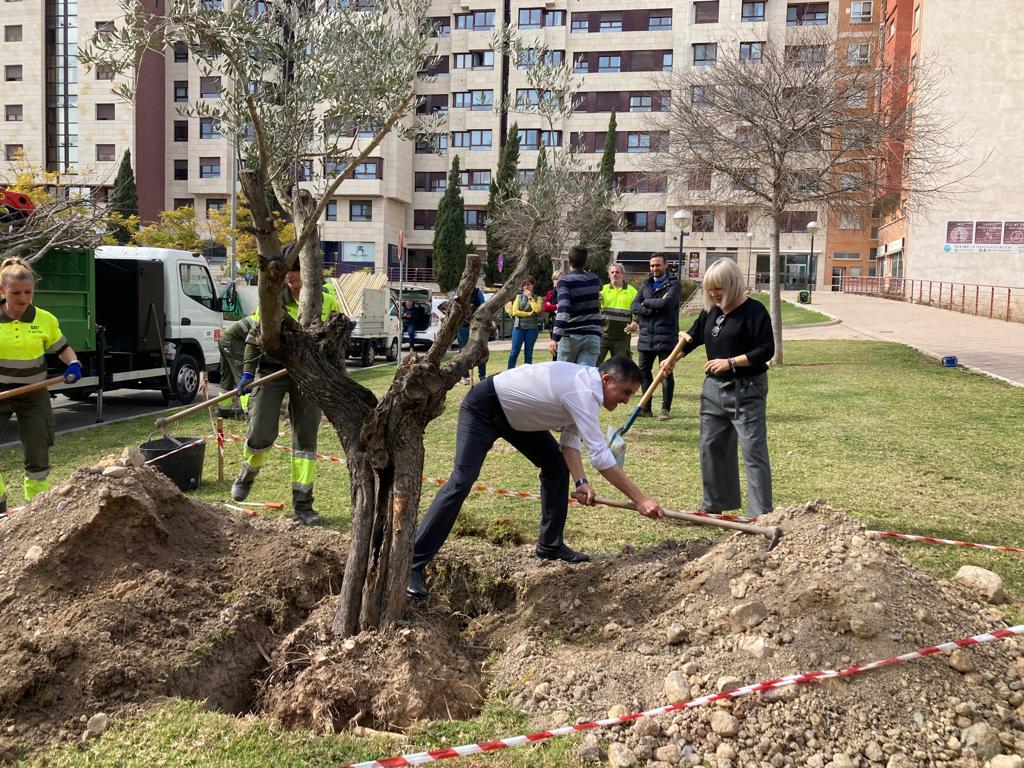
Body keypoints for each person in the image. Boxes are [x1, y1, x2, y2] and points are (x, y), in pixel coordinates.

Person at [407, 357, 665, 599]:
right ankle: (412, 563)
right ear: (607, 380)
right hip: (484, 407)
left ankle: (550, 546)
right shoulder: (583, 391)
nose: (625, 401)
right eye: (625, 393)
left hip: (516, 417)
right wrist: (641, 500)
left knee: (556, 465)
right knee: (462, 481)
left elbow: (570, 443)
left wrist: (581, 482)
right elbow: (600, 457)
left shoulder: (587, 390)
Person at [231, 250, 339, 526]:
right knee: (260, 432)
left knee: (305, 441)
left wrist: (335, 373)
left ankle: (303, 504)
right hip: (271, 372)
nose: (291, 275)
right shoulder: (270, 302)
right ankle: (246, 475)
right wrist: (246, 373)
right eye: (288, 270)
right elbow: (253, 339)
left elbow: (335, 341)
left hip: (308, 376)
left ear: (310, 272)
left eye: (297, 269)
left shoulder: (324, 302)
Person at [669, 258, 774, 518]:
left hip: (747, 389)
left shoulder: (754, 311)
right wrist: (671, 361)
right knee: (711, 446)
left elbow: (766, 350)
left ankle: (760, 514)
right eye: (710, 288)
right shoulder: (711, 311)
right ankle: (715, 504)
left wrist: (730, 363)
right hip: (713, 390)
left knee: (752, 450)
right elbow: (691, 339)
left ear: (733, 284)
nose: (714, 294)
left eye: (719, 288)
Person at [0, 258, 81, 517]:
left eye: (28, 292)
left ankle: (37, 510)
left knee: (38, 454)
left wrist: (74, 363)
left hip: (34, 395)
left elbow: (63, 349)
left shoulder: (45, 320)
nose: (23, 299)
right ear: (2, 291)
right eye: (15, 293)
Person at [631, 253, 682, 421]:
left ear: (665, 265)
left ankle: (665, 409)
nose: (654, 268)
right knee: (643, 372)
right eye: (652, 265)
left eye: (658, 265)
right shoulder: (646, 284)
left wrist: (646, 303)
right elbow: (634, 306)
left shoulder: (674, 284)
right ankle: (646, 408)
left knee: (665, 372)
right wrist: (650, 307)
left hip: (666, 336)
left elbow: (667, 304)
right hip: (646, 336)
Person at [549, 245, 602, 366]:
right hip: (592, 334)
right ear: (585, 261)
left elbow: (564, 310)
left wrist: (555, 338)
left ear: (569, 261)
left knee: (564, 377)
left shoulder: (564, 282)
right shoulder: (595, 280)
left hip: (570, 336)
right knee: (584, 379)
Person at [598, 262, 638, 364]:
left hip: (622, 337)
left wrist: (635, 322)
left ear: (622, 274)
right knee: (595, 363)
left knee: (620, 367)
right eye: (612, 272)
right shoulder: (603, 290)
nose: (614, 274)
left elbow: (638, 310)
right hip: (603, 335)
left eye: (617, 272)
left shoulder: (632, 291)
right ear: (609, 275)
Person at [217, 314, 255, 419]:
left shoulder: (258, 317)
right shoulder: (264, 322)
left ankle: (224, 410)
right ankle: (249, 412)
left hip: (225, 340)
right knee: (244, 377)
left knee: (227, 377)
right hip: (233, 342)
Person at [505, 278, 543, 368]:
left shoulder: (538, 298)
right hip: (519, 328)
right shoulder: (518, 297)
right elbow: (515, 312)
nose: (526, 286)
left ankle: (527, 374)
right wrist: (529, 313)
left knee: (528, 354)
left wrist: (530, 297)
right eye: (524, 285)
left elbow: (537, 310)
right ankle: (509, 372)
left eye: (528, 284)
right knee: (514, 352)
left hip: (532, 329)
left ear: (533, 286)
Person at [454, 285, 486, 385]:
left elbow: (483, 307)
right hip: (462, 326)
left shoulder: (477, 292)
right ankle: (466, 377)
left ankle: (482, 376)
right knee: (463, 351)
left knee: (480, 350)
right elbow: (453, 304)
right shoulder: (458, 292)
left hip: (476, 325)